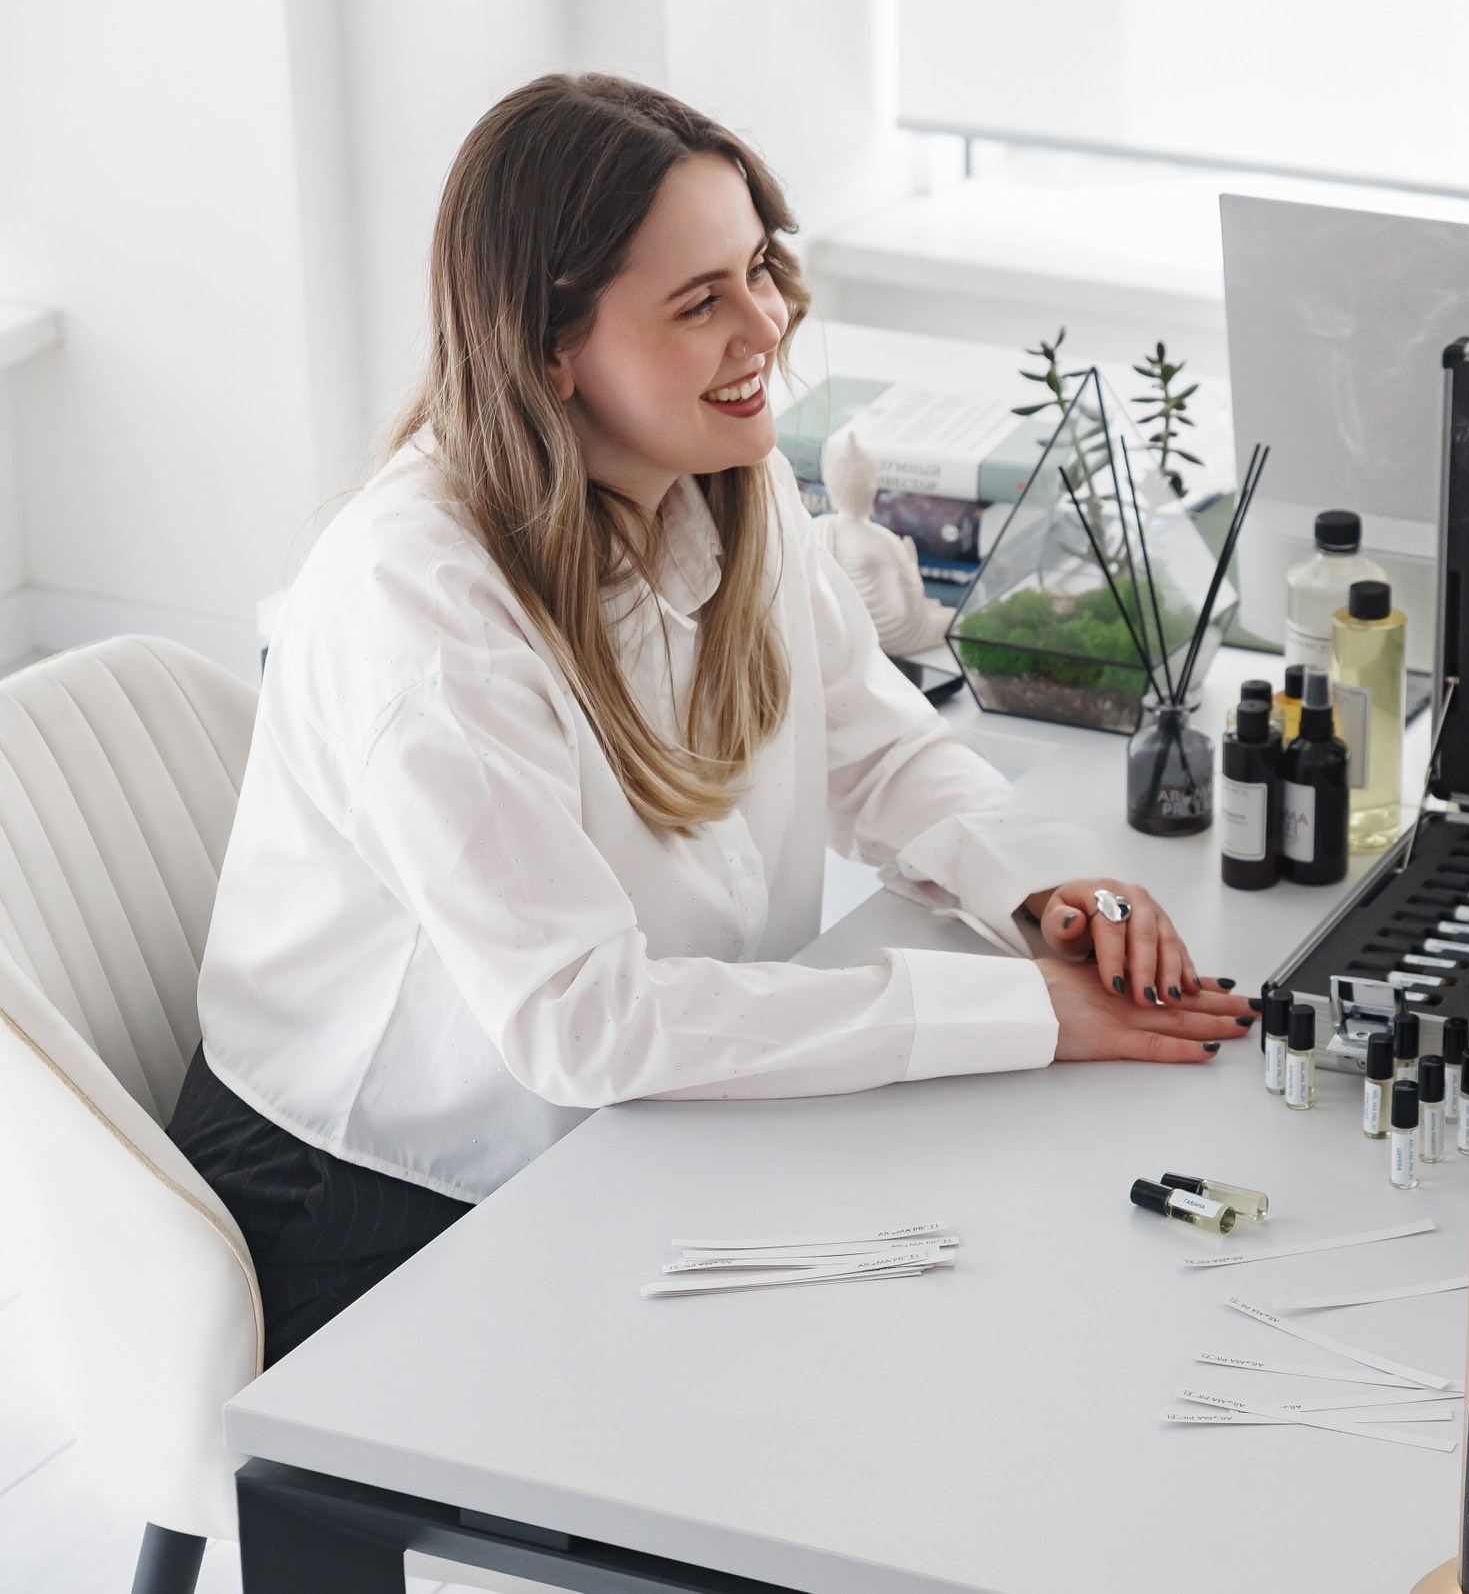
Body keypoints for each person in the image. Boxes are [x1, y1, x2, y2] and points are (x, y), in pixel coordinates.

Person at [174, 74, 1252, 1362]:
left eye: (761, 270)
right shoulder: (424, 609)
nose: (769, 326)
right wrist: (1024, 1020)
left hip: (627, 1128)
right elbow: (590, 1022)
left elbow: (869, 735)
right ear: (549, 347)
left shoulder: (713, 483)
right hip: (376, 1195)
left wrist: (1040, 889)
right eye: (702, 302)